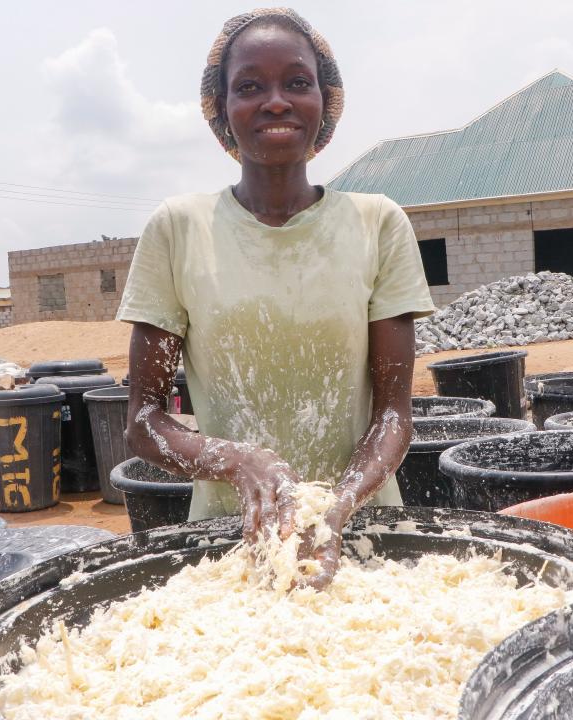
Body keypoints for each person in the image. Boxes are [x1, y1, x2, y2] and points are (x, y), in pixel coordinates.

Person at [118, 8, 435, 589]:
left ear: (325, 101)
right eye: (249, 86)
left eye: (296, 82)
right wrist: (241, 463)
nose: (276, 101)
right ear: (221, 110)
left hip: (366, 532)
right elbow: (144, 422)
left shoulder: (378, 223)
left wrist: (335, 507)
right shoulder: (178, 229)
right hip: (230, 547)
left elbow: (393, 413)